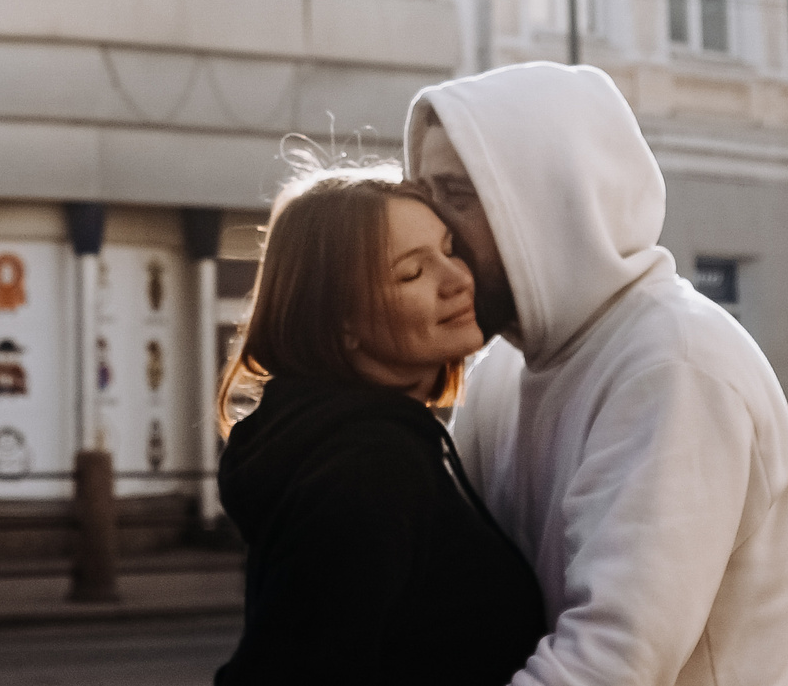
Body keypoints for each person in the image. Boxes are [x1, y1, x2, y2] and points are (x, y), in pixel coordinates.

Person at [410, 61, 788, 685]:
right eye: (421, 194)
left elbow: (610, 663)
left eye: (456, 195)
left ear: (547, 201)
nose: (429, 226)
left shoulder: (673, 361)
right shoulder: (503, 365)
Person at [213, 163, 545, 686]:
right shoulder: (369, 464)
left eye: (451, 249)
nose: (458, 279)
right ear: (340, 320)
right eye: (412, 272)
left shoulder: (338, 440)